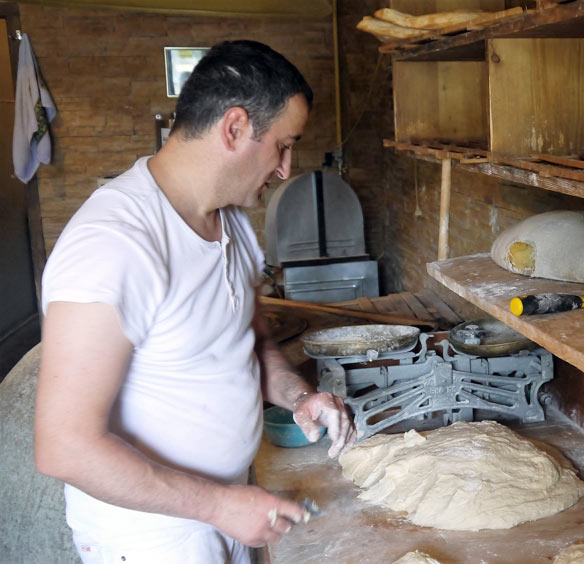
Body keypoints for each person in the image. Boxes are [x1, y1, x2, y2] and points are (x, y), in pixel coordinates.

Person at [34, 40, 356, 563]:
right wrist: (218, 506)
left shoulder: (229, 220)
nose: (285, 169)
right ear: (233, 128)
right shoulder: (114, 243)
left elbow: (246, 341)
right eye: (283, 144)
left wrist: (299, 397)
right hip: (151, 537)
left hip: (228, 505)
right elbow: (64, 446)